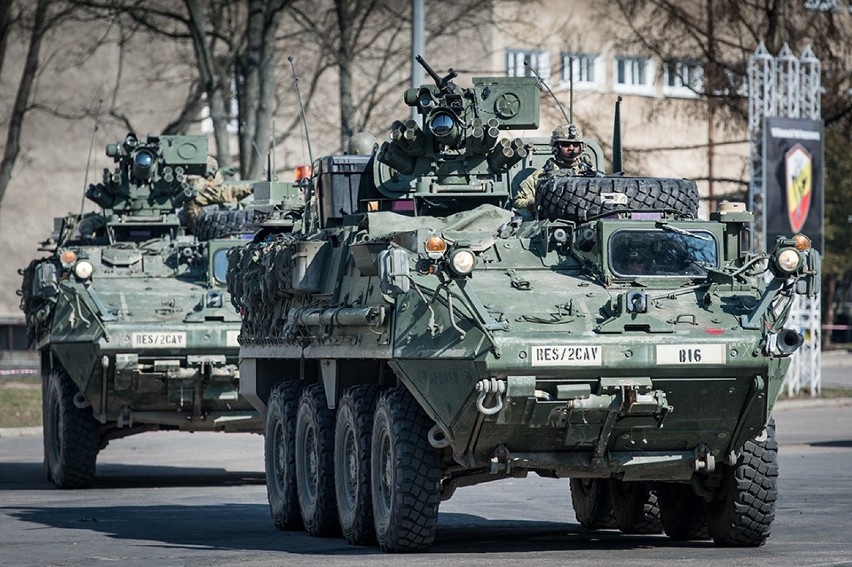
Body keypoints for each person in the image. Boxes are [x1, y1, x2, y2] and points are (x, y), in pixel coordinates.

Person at [513, 123, 594, 213]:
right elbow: (518, 201)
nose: (571, 148)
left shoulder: (590, 172)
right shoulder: (541, 176)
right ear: (556, 147)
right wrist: (540, 203)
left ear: (581, 147)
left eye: (575, 145)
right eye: (566, 144)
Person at [183, 155, 253, 234]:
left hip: (206, 223)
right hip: (200, 224)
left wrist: (218, 173)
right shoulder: (196, 184)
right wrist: (248, 188)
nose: (213, 173)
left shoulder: (201, 182)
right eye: (212, 170)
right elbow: (221, 194)